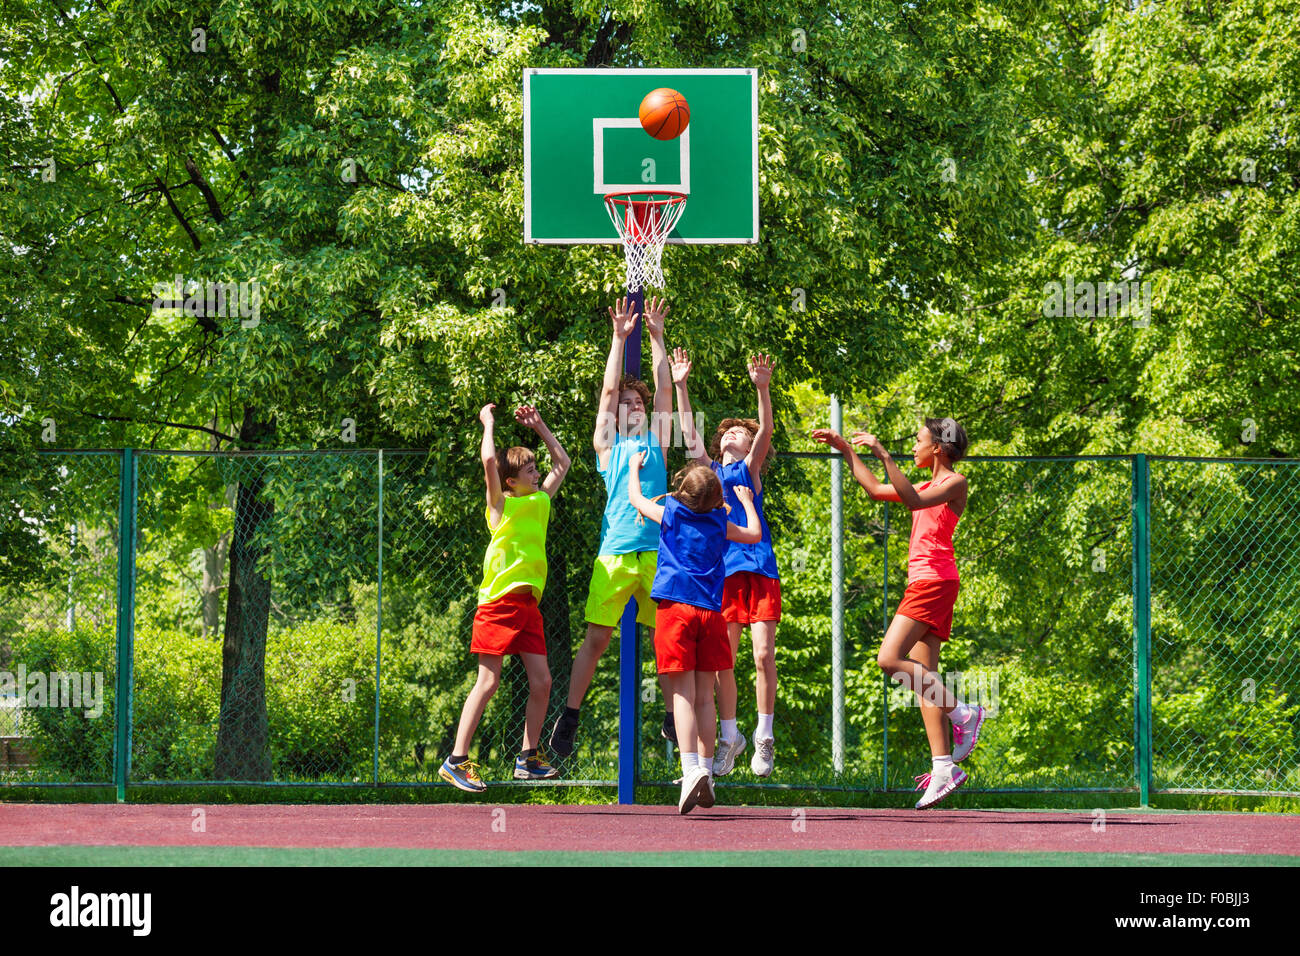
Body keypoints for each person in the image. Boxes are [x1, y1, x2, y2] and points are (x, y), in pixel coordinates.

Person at [813, 417, 985, 808]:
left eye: (920, 441)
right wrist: (846, 450)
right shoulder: (923, 484)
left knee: (889, 659)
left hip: (933, 581)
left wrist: (884, 454)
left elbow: (912, 500)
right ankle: (944, 767)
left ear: (938, 449)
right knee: (925, 680)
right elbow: (875, 490)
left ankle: (964, 712)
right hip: (927, 583)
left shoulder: (952, 483)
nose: (915, 447)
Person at [550, 296, 675, 759]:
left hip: (658, 552)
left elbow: (664, 389)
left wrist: (658, 337)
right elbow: (605, 394)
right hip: (616, 550)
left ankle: (669, 716)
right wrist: (618, 339)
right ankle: (571, 715)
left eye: (637, 401)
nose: (633, 405)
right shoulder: (609, 447)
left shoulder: (659, 442)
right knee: (597, 638)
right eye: (626, 402)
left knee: (665, 636)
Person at [439, 403, 571, 792]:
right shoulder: (501, 507)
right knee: (488, 682)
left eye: (534, 467)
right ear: (511, 481)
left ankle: (528, 758)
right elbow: (487, 462)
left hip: (528, 604)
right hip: (498, 602)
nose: (536, 470)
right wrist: (488, 424)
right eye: (528, 469)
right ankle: (456, 760)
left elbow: (561, 463)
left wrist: (541, 425)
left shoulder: (541, 501)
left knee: (542, 681)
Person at [628, 454, 762, 814]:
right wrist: (747, 503)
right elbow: (754, 534)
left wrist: (633, 472)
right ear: (718, 499)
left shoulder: (671, 512)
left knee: (682, 697)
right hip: (711, 616)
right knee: (706, 697)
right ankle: (705, 771)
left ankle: (690, 771)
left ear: (683, 492)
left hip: (675, 611)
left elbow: (637, 501)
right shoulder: (721, 521)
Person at [672, 349, 781, 777]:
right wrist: (681, 385)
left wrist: (762, 389)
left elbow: (766, 428)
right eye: (729, 430)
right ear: (720, 445)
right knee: (722, 663)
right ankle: (729, 737)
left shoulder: (749, 471)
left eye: (741, 430)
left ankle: (764, 736)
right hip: (724, 574)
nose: (735, 433)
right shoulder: (711, 474)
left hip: (760, 568)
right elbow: (687, 433)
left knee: (763, 655)